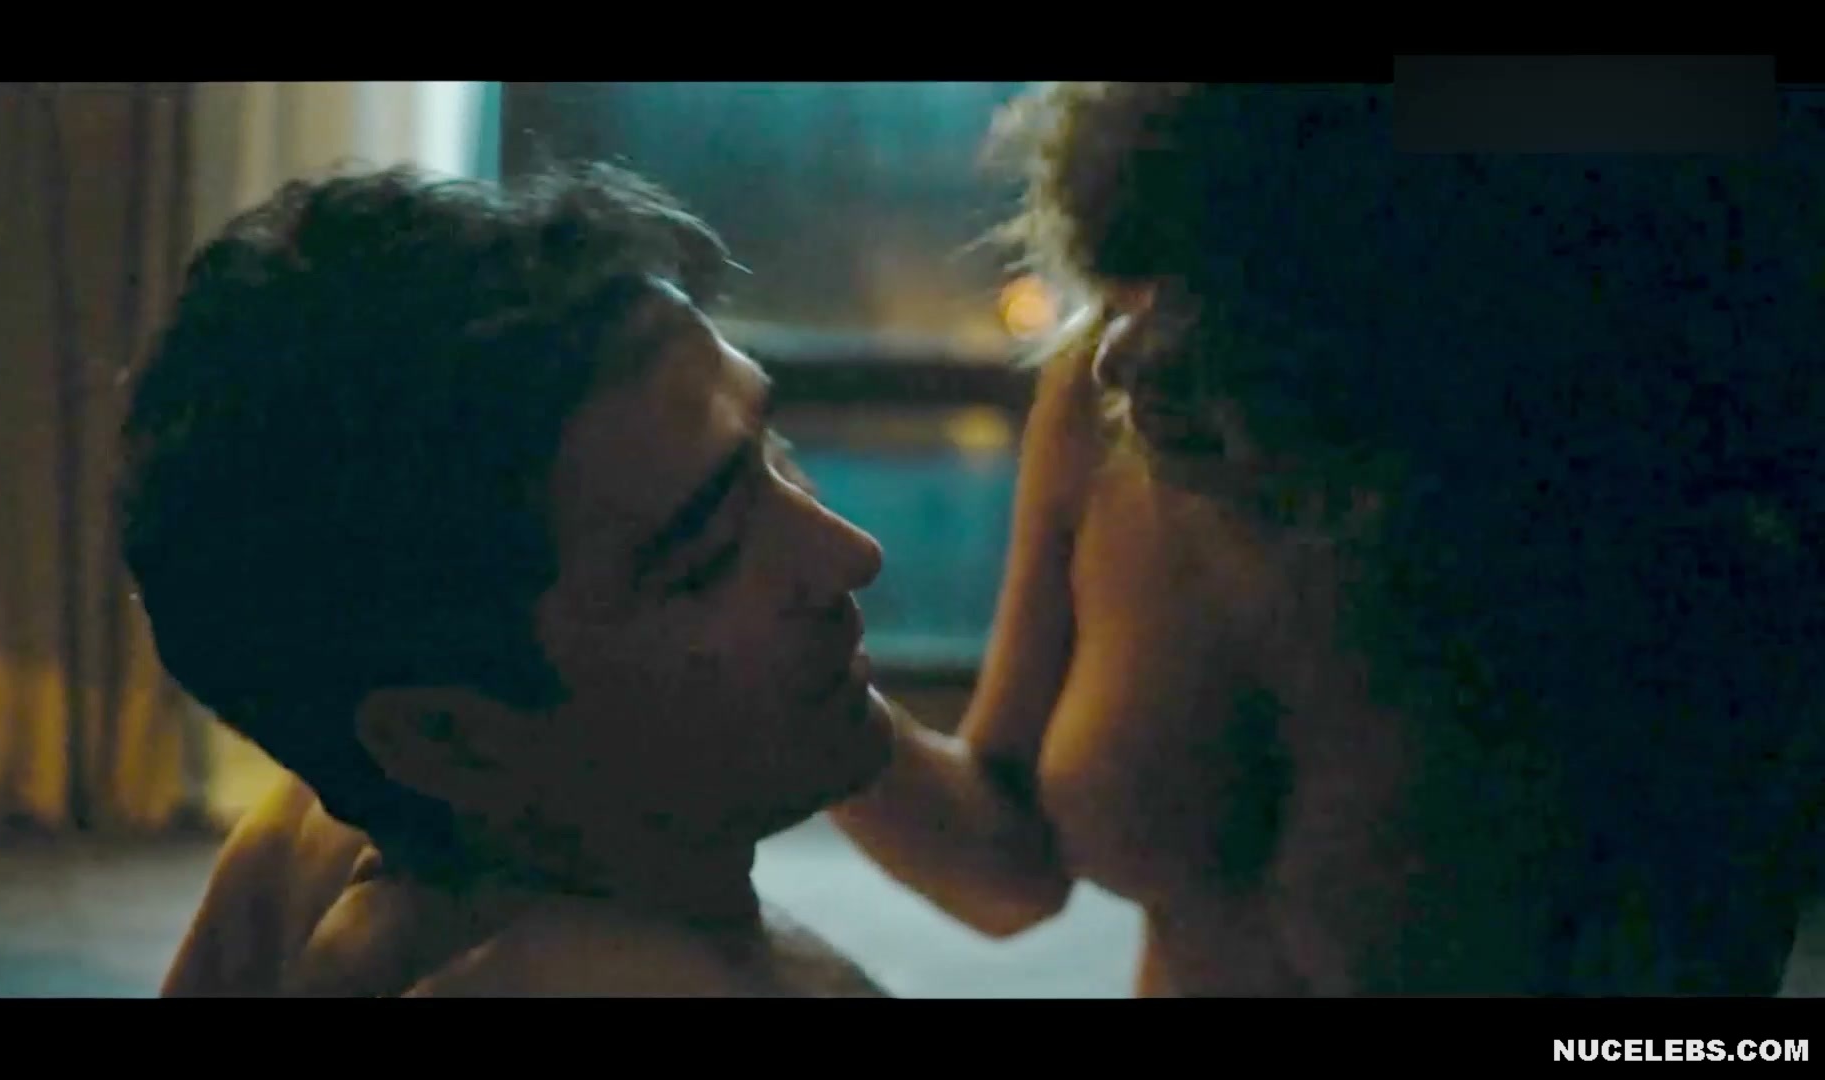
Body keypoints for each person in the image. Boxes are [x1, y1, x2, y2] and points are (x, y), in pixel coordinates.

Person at [830, 82, 1825, 995]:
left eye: (1210, 296)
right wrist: (800, 682)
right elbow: (1007, 866)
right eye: (1130, 284)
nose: (1124, 358)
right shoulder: (1103, 418)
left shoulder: (1637, 525)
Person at [123, 163, 896, 996]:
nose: (850, 553)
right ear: (447, 738)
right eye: (708, 558)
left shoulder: (294, 844)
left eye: (776, 455)